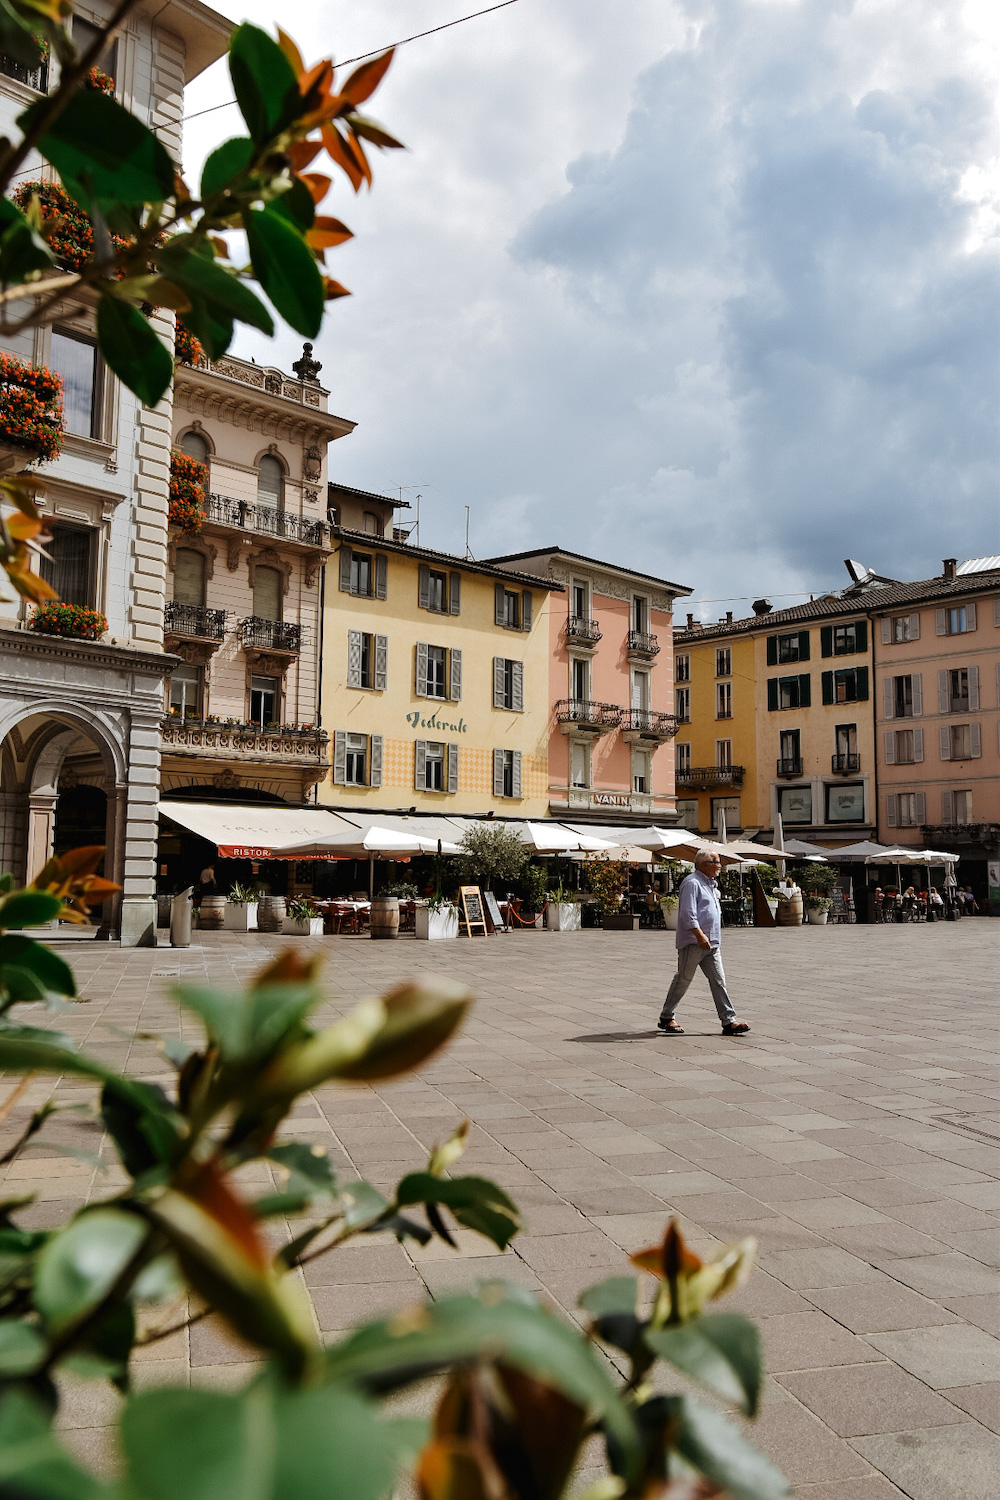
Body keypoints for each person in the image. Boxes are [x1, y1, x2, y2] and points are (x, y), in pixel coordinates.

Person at [657, 851, 750, 1037]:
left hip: (712, 943)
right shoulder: (692, 883)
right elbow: (687, 913)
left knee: (719, 981)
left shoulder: (709, 884)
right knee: (684, 979)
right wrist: (699, 935)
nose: (720, 865)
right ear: (704, 864)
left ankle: (728, 1020)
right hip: (694, 942)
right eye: (716, 862)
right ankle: (667, 1016)